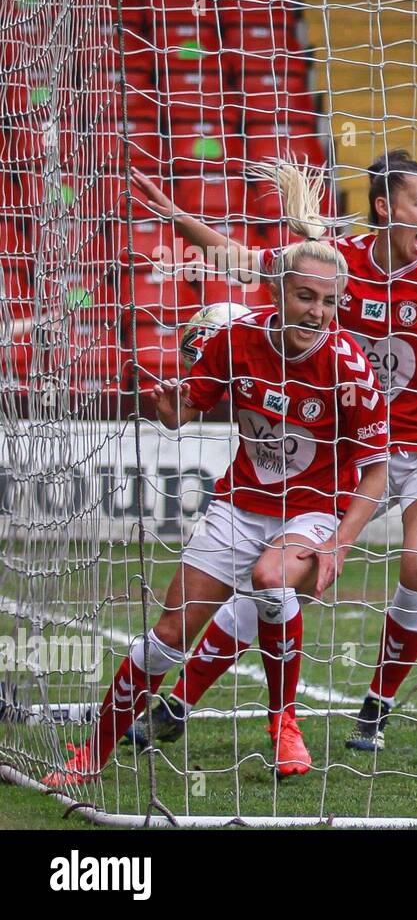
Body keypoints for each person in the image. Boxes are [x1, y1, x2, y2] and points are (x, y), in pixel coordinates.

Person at [123, 152, 417, 753]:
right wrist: (177, 217)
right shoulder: (334, 265)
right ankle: (182, 701)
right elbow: (244, 262)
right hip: (352, 453)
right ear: (386, 208)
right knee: (279, 583)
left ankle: (376, 706)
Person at [44, 197, 390, 785]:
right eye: (307, 297)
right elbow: (184, 413)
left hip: (312, 511)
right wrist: (168, 405)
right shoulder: (234, 341)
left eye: (330, 302)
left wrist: (340, 544)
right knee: (166, 640)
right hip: (239, 504)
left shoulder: (348, 367)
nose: (318, 311)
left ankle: (284, 721)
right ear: (278, 293)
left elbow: (378, 468)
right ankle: (90, 757)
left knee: (269, 582)